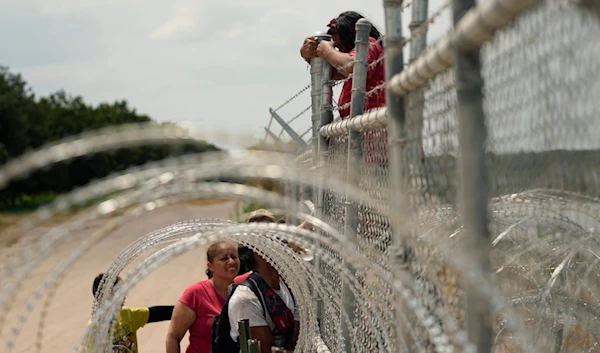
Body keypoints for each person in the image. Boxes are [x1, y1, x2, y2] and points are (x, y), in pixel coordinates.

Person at [300, 11, 386, 119]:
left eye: (340, 47)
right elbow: (333, 73)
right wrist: (309, 56)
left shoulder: (368, 43)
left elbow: (354, 67)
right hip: (365, 124)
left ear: (351, 36)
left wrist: (328, 51)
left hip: (373, 125)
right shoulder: (369, 54)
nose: (339, 51)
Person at [165, 241, 241, 353]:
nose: (231, 261)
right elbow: (173, 337)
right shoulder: (195, 293)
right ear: (210, 266)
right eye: (224, 259)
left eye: (234, 257)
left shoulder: (245, 288)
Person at [88, 273, 174, 353]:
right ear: (108, 297)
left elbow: (156, 313)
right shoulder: (94, 329)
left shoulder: (126, 314)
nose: (125, 295)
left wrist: (183, 309)